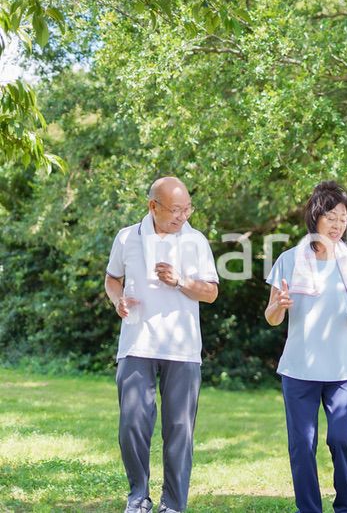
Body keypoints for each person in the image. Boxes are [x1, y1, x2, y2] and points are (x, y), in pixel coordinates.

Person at [104, 177, 219, 513]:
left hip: (182, 348)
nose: (182, 216)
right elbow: (113, 279)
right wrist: (117, 300)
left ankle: (173, 504)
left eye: (187, 209)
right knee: (132, 422)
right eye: (175, 210)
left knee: (180, 428)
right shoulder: (127, 237)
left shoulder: (196, 241)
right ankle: (138, 496)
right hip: (137, 343)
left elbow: (211, 292)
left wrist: (180, 281)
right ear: (153, 205)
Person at [264, 181, 347, 513]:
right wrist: (279, 305)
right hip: (299, 369)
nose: (339, 224)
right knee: (302, 444)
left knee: (342, 439)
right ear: (315, 217)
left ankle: (345, 506)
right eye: (332, 217)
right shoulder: (288, 260)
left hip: (344, 368)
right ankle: (308, 509)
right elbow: (271, 317)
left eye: (344, 218)